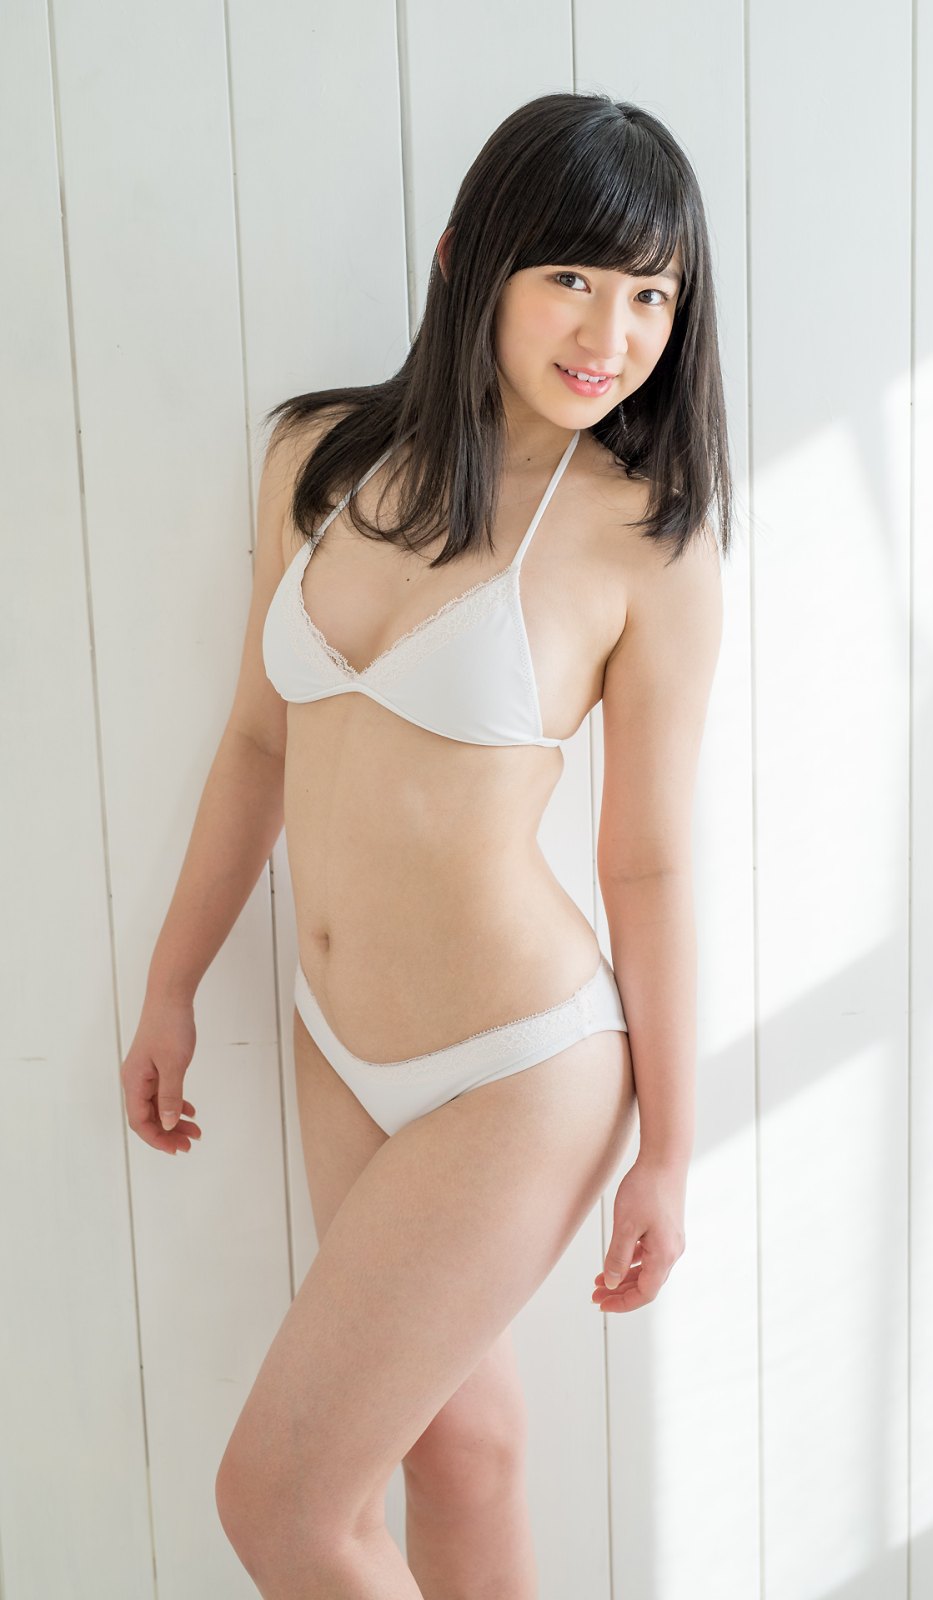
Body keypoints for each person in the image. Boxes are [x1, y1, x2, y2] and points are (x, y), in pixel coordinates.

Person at [120, 89, 730, 1599]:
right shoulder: (316, 461)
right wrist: (173, 981)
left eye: (652, 294)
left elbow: (650, 863)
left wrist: (669, 1151)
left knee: (281, 1505)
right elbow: (258, 743)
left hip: (519, 1067)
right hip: (337, 1045)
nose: (614, 333)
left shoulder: (647, 537)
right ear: (471, 256)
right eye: (574, 277)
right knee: (457, 1453)